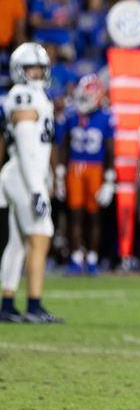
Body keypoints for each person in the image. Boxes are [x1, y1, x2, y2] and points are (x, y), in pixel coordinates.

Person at [0, 42, 63, 324]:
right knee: (40, 235)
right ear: (18, 70)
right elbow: (26, 146)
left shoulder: (35, 96)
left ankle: (8, 303)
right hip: (24, 176)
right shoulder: (23, 95)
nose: (36, 73)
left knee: (16, 242)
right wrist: (38, 188)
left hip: (25, 175)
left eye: (39, 68)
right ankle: (34, 304)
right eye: (30, 68)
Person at [59, 74, 116, 275]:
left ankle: (92, 258)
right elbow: (64, 144)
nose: (82, 100)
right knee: (74, 214)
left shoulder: (106, 117)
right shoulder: (71, 115)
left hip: (95, 168)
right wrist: (60, 172)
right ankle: (75, 257)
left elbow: (110, 150)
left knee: (94, 216)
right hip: (75, 167)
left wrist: (110, 178)